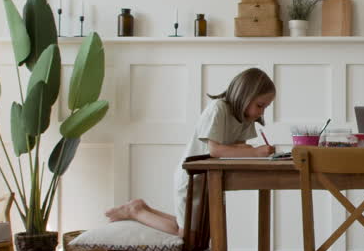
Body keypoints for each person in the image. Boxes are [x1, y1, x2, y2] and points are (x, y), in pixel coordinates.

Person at [103, 67, 276, 236]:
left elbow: (236, 148)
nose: (262, 112)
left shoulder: (246, 118)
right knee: (186, 235)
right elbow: (215, 150)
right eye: (260, 105)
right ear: (244, 96)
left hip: (208, 179)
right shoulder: (218, 108)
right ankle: (136, 211)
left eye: (265, 107)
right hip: (191, 178)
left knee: (194, 231)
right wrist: (254, 152)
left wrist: (248, 150)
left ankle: (140, 208)